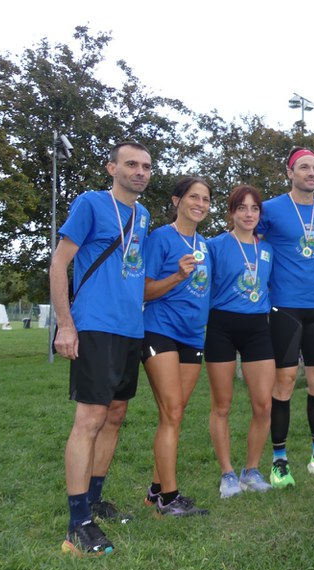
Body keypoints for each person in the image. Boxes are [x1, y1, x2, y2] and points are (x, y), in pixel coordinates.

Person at [50, 141, 152, 557]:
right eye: (131, 164)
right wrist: (66, 324)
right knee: (89, 418)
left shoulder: (143, 215)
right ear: (112, 168)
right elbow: (60, 263)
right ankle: (78, 522)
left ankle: (94, 499)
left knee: (115, 414)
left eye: (146, 166)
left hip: (130, 328)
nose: (140, 171)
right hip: (94, 325)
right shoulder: (91, 203)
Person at [257, 147, 314, 487]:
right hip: (284, 308)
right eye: (304, 167)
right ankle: (279, 460)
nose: (311, 173)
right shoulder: (269, 209)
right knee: (283, 384)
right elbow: (251, 250)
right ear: (290, 172)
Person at [141, 177, 212, 517]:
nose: (200, 203)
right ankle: (168, 500)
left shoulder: (205, 245)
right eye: (193, 197)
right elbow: (143, 290)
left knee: (175, 414)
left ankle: (155, 490)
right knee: (171, 412)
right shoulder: (161, 238)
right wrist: (178, 277)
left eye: (206, 199)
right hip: (160, 331)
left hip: (193, 336)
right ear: (176, 200)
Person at [205, 185, 276, 497]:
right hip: (221, 325)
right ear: (231, 212)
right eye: (242, 208)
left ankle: (251, 470)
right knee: (222, 405)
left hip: (258, 327)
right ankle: (228, 474)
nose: (249, 214)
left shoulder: (268, 249)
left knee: (263, 404)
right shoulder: (215, 246)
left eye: (254, 208)